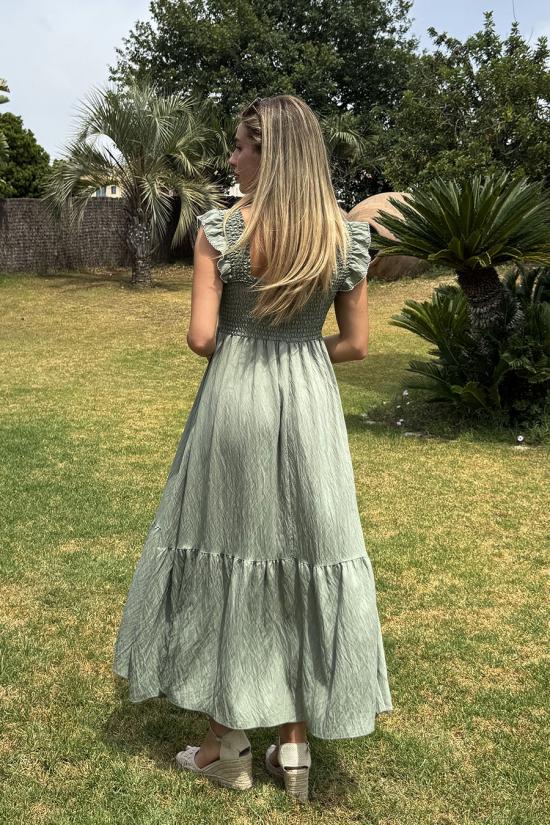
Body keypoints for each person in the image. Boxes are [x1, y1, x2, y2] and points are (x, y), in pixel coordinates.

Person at [112, 94, 393, 804]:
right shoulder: (345, 239)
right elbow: (357, 345)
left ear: (269, 154)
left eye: (240, 146)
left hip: (234, 401)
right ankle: (294, 748)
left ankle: (226, 744)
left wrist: (251, 353)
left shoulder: (223, 231)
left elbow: (202, 338)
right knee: (304, 552)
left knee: (229, 545)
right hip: (310, 403)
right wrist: (300, 353)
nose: (232, 158)